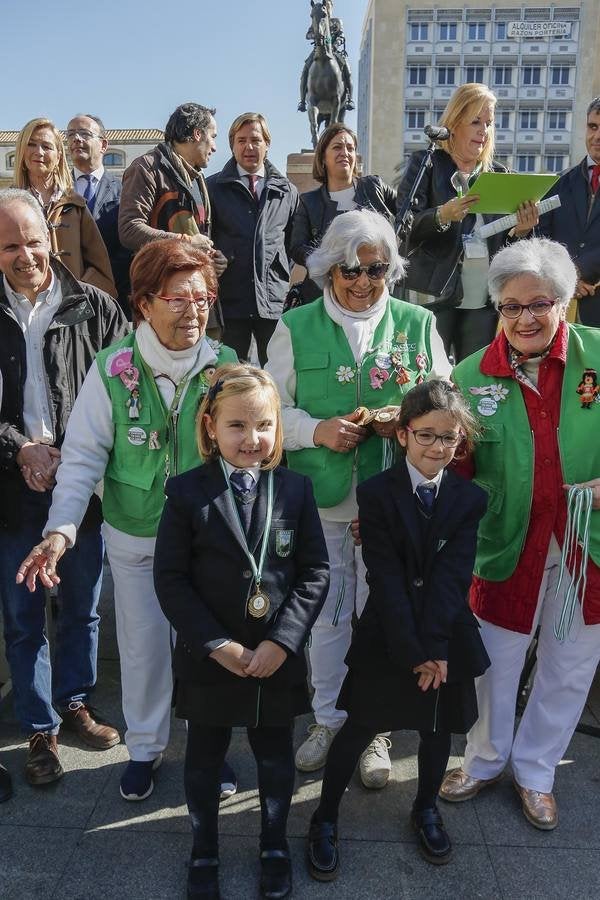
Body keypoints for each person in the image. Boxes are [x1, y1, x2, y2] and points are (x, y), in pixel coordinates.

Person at [16, 239, 237, 802]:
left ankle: (211, 751)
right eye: (178, 299)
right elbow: (83, 456)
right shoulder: (112, 369)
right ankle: (144, 749)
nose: (193, 311)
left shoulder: (225, 365)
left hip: (208, 539)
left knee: (210, 648)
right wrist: (61, 530)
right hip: (137, 534)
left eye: (202, 298)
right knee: (142, 648)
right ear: (144, 304)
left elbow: (256, 449)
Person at [267, 209, 452, 788]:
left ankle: (375, 728)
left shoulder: (418, 323)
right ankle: (327, 720)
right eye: (350, 269)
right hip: (321, 495)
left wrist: (407, 417)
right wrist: (314, 430)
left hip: (391, 499)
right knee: (325, 615)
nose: (363, 281)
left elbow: (444, 401)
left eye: (376, 269)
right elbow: (270, 410)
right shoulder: (294, 325)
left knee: (383, 615)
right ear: (329, 270)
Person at [440, 237, 600, 832]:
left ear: (563, 302)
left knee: (570, 662)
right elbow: (455, 471)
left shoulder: (598, 356)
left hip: (588, 543)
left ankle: (536, 771)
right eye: (511, 306)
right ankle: (483, 759)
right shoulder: (468, 373)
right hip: (505, 541)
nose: (525, 318)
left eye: (539, 304)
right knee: (494, 661)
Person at [153, 363, 329, 900]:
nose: (252, 438)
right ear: (210, 426)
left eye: (265, 425)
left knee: (275, 757)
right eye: (237, 425)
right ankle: (204, 848)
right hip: (212, 659)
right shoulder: (186, 493)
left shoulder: (296, 490)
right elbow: (171, 579)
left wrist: (282, 641)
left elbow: (315, 572)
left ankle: (274, 845)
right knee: (204, 758)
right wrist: (216, 645)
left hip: (275, 659)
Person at [307, 380, 489, 877]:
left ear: (460, 440)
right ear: (403, 434)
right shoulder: (376, 494)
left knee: (437, 730)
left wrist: (434, 647)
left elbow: (454, 577)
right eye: (425, 435)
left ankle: (425, 807)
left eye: (448, 437)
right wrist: (413, 650)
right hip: (390, 631)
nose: (437, 447)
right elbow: (384, 576)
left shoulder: (468, 498)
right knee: (359, 724)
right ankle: (325, 816)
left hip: (444, 633)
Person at [0, 189, 127, 785]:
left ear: (50, 238)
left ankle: (75, 700)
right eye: (9, 246)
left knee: (81, 604)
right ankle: (38, 726)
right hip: (12, 486)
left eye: (32, 241)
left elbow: (124, 391)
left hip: (82, 482)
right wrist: (19, 448)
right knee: (23, 613)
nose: (24, 255)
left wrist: (72, 454)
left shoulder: (96, 308)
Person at [396, 83, 538, 362]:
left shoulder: (501, 176)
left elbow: (510, 249)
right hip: (434, 297)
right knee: (427, 374)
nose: (483, 131)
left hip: (484, 301)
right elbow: (405, 226)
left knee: (473, 377)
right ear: (454, 123)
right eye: (475, 122)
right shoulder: (427, 164)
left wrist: (521, 231)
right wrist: (442, 215)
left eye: (488, 123)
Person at [118, 102, 227, 338]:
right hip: (161, 302)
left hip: (198, 300)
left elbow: (198, 237)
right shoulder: (146, 168)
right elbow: (129, 229)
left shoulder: (197, 178)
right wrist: (185, 242)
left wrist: (212, 259)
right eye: (213, 136)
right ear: (197, 134)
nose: (215, 147)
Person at [206, 113, 298, 364]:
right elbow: (205, 238)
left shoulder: (287, 191)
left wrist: (276, 270)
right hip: (229, 301)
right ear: (232, 145)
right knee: (230, 373)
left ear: (267, 144)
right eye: (241, 140)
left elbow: (290, 245)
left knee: (278, 372)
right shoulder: (212, 188)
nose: (249, 147)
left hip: (273, 301)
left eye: (256, 140)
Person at [290, 124, 397, 304]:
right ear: (323, 157)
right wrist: (328, 261)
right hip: (323, 294)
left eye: (350, 148)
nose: (345, 153)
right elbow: (297, 247)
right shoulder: (309, 202)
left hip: (372, 291)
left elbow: (410, 209)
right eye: (337, 147)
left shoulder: (374, 187)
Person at [13, 117, 116, 298]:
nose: (39, 152)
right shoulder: (8, 204)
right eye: (31, 144)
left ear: (59, 155)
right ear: (22, 151)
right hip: (20, 303)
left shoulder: (76, 204)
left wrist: (79, 288)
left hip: (70, 305)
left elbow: (100, 267)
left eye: (47, 146)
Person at [540, 97, 600, 327]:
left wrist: (577, 271)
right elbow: (542, 240)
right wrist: (564, 277)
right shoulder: (558, 183)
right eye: (593, 126)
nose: (597, 136)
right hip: (560, 310)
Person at [67, 113, 132, 316]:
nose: (76, 139)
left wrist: (97, 278)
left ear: (103, 145)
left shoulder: (124, 191)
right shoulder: (57, 191)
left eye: (84, 134)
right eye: (71, 134)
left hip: (112, 298)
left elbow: (129, 245)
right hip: (65, 296)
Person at [298, 0, 354, 112]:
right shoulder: (317, 19)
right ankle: (302, 101)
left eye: (328, 6)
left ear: (331, 7)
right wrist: (315, 35)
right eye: (326, 6)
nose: (327, 8)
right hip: (318, 50)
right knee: (305, 71)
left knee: (347, 69)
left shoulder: (336, 21)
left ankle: (349, 98)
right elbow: (308, 35)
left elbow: (341, 35)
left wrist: (335, 44)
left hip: (334, 50)